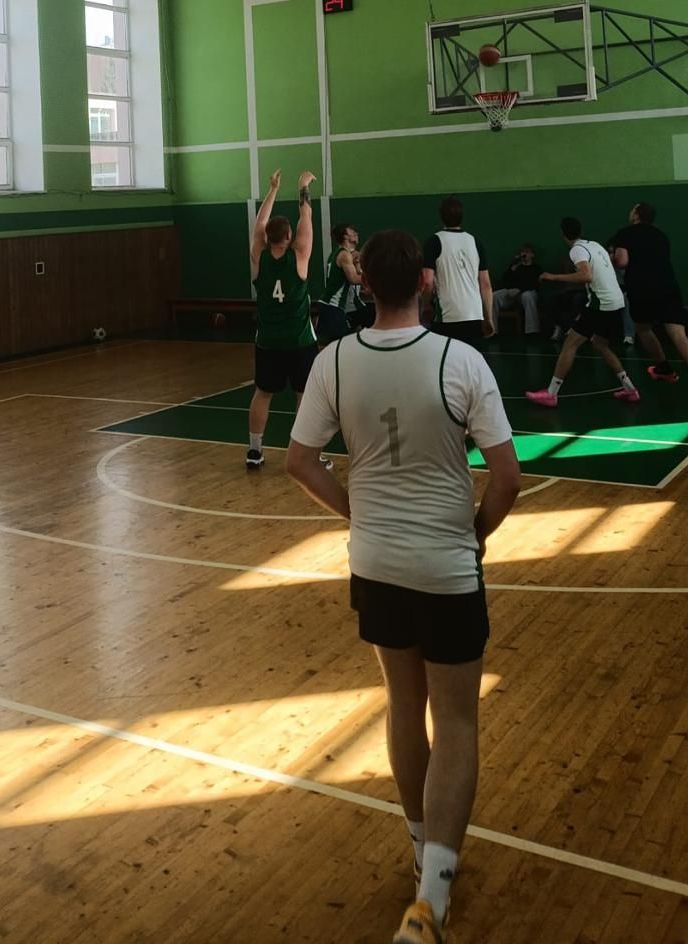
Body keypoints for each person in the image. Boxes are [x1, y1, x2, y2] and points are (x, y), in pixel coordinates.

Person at [287, 230, 521, 943]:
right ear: (425, 281)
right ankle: (433, 896)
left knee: (403, 705)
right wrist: (476, 533)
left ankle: (421, 847)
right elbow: (508, 478)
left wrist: (357, 513)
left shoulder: (333, 360)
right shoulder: (460, 360)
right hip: (445, 568)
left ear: (363, 285)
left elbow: (300, 461)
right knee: (456, 723)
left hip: (377, 565)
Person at [247, 169, 319, 470]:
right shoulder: (299, 256)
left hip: (268, 341)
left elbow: (259, 224)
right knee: (304, 396)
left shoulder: (259, 258)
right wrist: (302, 187)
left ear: (267, 238)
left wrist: (273, 189)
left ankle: (254, 450)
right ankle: (304, 455)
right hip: (299, 340)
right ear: (289, 237)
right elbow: (306, 217)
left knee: (263, 393)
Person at [526, 218, 640, 408]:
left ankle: (551, 394)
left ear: (563, 234)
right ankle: (630, 389)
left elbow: (586, 275)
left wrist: (553, 277)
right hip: (616, 302)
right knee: (600, 344)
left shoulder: (577, 250)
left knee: (570, 343)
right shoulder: (594, 245)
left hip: (601, 304)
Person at [611, 203, 688, 403]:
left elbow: (622, 261)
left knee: (643, 328)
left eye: (632, 209)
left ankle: (664, 367)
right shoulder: (661, 235)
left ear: (636, 214)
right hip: (668, 285)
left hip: (641, 287)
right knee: (678, 333)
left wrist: (611, 257)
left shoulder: (625, 233)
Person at [423, 197, 494, 349]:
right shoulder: (475, 242)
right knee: (472, 360)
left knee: (445, 360)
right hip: (474, 314)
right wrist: (488, 317)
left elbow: (427, 281)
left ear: (441, 215)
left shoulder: (434, 242)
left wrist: (425, 306)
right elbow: (486, 285)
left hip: (447, 316)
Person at [318, 223, 369, 341]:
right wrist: (374, 278)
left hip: (330, 305)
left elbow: (354, 276)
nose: (356, 233)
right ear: (345, 236)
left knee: (334, 343)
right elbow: (354, 279)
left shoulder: (337, 253)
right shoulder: (344, 254)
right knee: (337, 343)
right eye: (352, 231)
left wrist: (357, 264)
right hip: (333, 306)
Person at [490, 244, 542, 336]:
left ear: (532, 255)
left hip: (526, 293)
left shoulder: (536, 268)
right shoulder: (516, 267)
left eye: (527, 252)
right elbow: (505, 280)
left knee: (527, 296)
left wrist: (519, 290)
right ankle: (492, 330)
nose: (524, 254)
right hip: (512, 293)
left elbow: (533, 283)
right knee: (494, 296)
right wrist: (512, 268)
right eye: (522, 252)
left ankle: (532, 331)